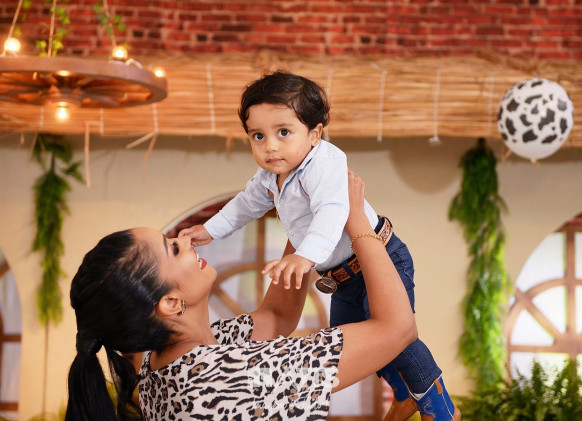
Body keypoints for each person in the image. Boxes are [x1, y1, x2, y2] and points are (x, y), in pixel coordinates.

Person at [179, 71, 460, 421]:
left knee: (398, 338)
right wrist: (210, 230)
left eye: (283, 132)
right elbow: (244, 206)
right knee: (357, 339)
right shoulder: (270, 176)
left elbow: (331, 212)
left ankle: (440, 407)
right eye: (258, 135)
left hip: (380, 257)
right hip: (340, 277)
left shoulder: (324, 164)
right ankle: (404, 394)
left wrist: (304, 256)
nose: (270, 146)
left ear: (314, 134)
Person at [65, 171, 417, 421]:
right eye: (173, 249)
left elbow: (276, 316)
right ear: (170, 303)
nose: (184, 239)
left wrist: (301, 215)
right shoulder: (227, 377)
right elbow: (397, 329)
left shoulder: (170, 362)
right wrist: (356, 221)